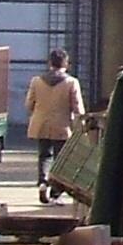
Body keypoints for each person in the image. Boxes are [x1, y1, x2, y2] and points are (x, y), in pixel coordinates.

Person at [25, 48, 86, 202]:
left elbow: (28, 104)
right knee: (61, 160)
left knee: (44, 155)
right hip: (62, 126)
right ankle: (55, 192)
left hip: (40, 124)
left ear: (50, 63)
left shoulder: (36, 81)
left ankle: (42, 183)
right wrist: (81, 123)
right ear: (66, 63)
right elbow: (78, 107)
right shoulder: (71, 82)